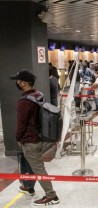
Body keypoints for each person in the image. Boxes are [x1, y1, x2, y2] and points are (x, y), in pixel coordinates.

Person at [9, 70, 59, 206]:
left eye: (18, 81)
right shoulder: (38, 95)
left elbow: (21, 124)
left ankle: (52, 196)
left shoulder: (24, 102)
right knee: (29, 164)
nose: (16, 83)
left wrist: (18, 138)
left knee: (38, 168)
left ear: (24, 83)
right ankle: (29, 186)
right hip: (38, 136)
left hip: (29, 140)